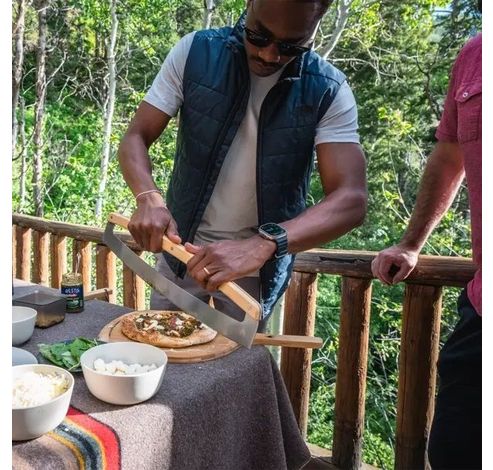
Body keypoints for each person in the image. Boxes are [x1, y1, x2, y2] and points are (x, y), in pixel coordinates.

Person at [118, 0, 367, 330]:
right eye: (259, 36)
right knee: (165, 356)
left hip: (254, 271)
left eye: (291, 46)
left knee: (236, 372)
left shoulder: (329, 89)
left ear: (316, 26)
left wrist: (264, 245)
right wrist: (148, 197)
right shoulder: (195, 52)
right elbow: (136, 135)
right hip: (179, 253)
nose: (269, 55)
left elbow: (350, 199)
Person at [371, 33, 481, 469]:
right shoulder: (475, 53)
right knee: (454, 451)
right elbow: (450, 153)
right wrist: (411, 242)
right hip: (483, 309)